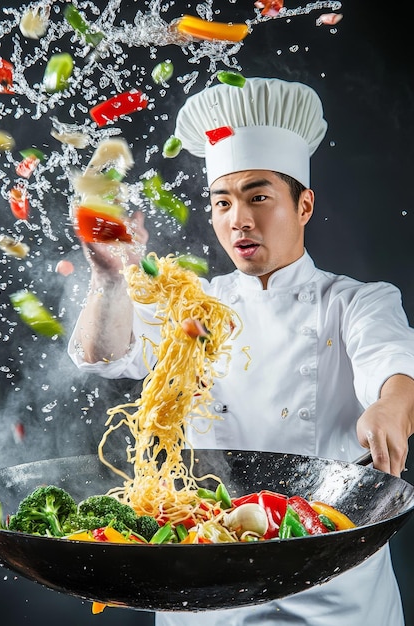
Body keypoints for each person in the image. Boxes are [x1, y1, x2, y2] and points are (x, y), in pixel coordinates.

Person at [68, 77, 414, 625]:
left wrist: (391, 408)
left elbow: (393, 365)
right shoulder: (195, 303)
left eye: (258, 197)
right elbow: (105, 354)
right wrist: (109, 280)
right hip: (205, 571)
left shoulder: (356, 301)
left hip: (334, 579)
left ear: (304, 205)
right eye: (223, 202)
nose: (239, 220)